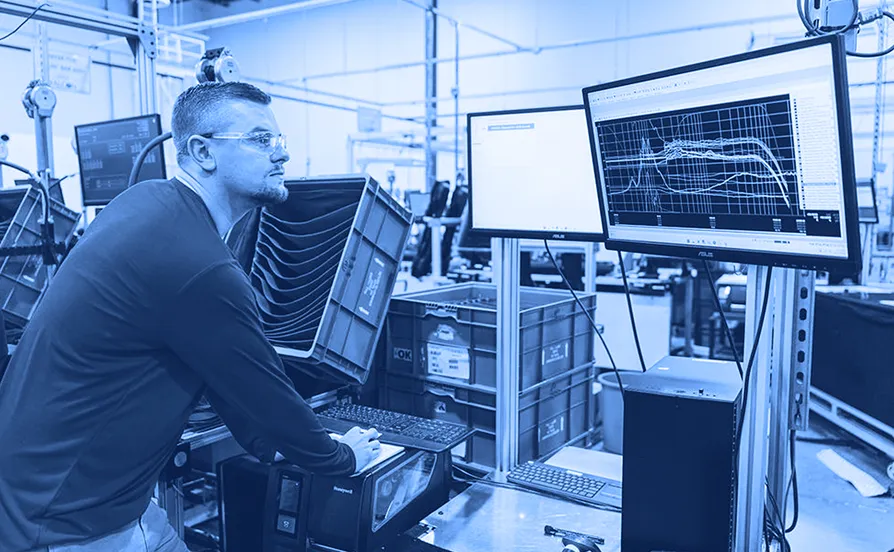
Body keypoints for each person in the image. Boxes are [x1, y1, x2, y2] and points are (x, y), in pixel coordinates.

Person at [0, 82, 381, 552]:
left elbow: (222, 370)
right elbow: (266, 390)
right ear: (202, 151)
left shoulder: (145, 202)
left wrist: (270, 443)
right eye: (261, 140)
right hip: (69, 523)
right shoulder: (199, 264)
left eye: (279, 141)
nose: (281, 154)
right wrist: (341, 458)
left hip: (66, 494)